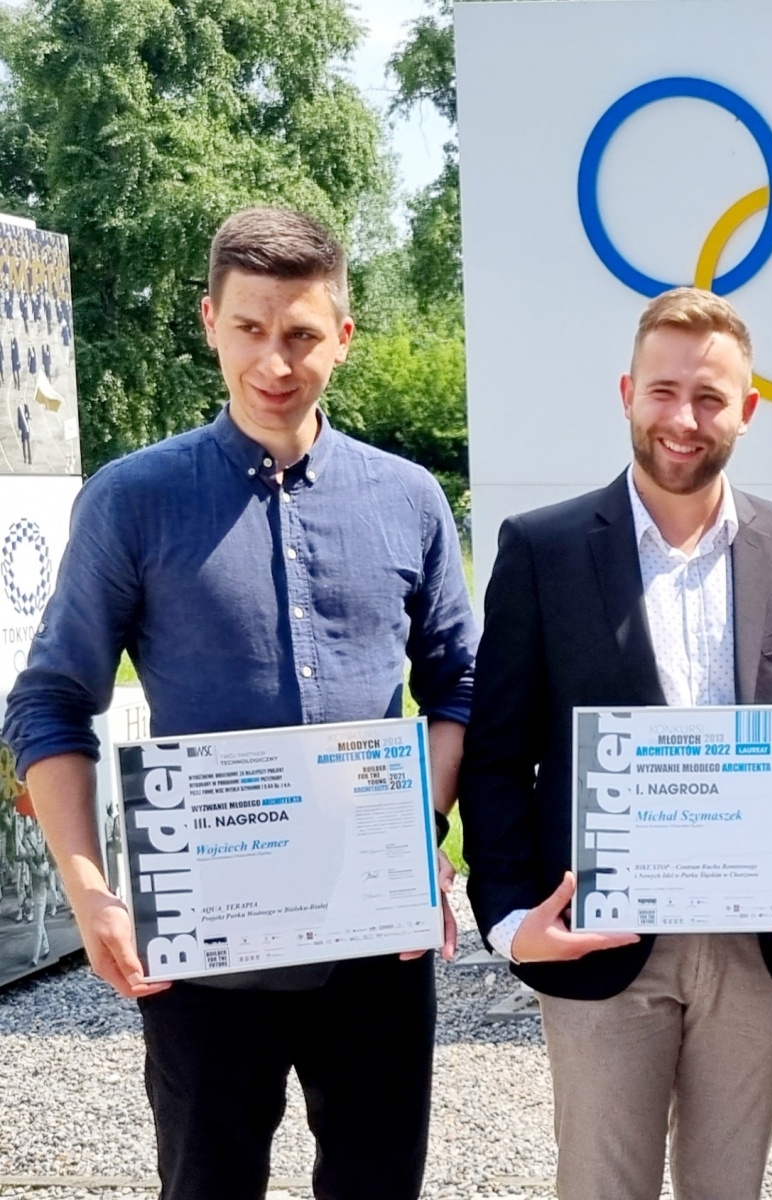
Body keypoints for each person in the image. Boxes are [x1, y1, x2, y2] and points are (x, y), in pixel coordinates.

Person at [1, 207, 477, 1200]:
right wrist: (92, 898)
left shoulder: (407, 500)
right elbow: (48, 704)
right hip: (204, 953)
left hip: (373, 948)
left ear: (342, 337)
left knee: (379, 1186)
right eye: (252, 329)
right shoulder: (134, 500)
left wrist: (414, 830)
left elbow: (461, 683)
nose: (276, 362)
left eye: (301, 333)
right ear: (211, 321)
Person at [460, 286, 772, 1200]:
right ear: (627, 393)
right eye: (664, 392)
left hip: (753, 948)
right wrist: (512, 919)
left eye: (711, 398)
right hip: (603, 938)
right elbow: (496, 755)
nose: (685, 419)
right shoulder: (543, 548)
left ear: (748, 412)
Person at [15, 400, 30, 465]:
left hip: (27, 428)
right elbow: (18, 419)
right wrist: (19, 429)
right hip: (22, 428)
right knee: (24, 444)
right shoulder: (19, 409)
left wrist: (28, 416)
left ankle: (30, 459)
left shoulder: (26, 406)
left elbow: (28, 414)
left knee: (28, 444)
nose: (21, 401)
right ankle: (25, 458)